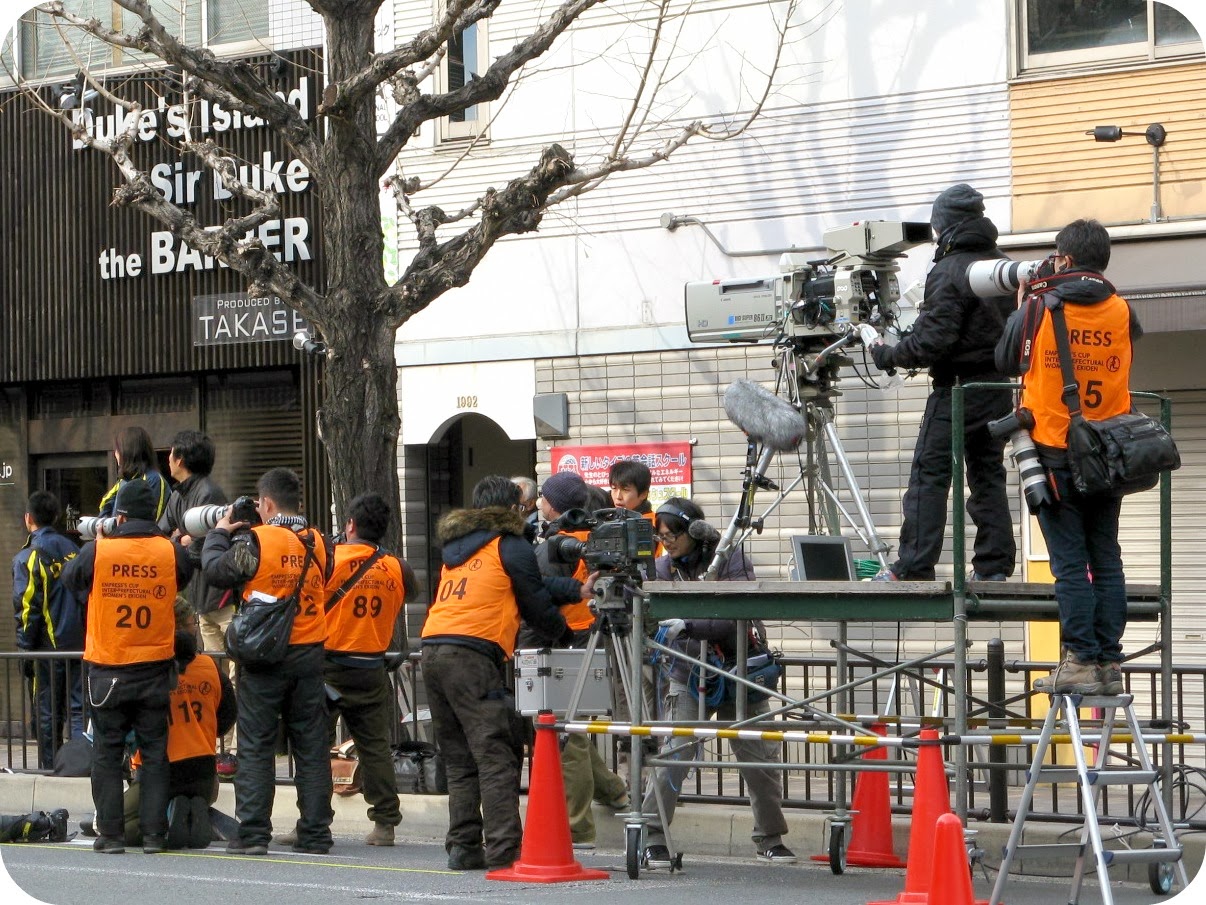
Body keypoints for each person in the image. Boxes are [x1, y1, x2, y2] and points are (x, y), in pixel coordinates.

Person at [994, 219, 1141, 695]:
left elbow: (1005, 359)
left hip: (1056, 446)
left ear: (1065, 258)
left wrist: (1022, 304)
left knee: (1071, 564)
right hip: (1109, 449)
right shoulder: (1121, 308)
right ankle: (1109, 662)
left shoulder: (1041, 303)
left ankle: (1079, 660)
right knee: (1107, 557)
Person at [421, 475, 590, 871]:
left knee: (460, 757)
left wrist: (575, 590)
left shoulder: (458, 549)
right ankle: (503, 848)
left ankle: (463, 846)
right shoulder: (509, 544)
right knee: (495, 752)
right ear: (513, 508)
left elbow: (529, 583)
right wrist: (565, 635)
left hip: (431, 648)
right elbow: (534, 601)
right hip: (473, 654)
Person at [869, 183, 1016, 583]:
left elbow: (931, 341)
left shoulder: (949, 270)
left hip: (957, 390)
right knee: (987, 476)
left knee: (930, 475)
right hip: (998, 389)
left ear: (944, 225)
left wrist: (887, 354)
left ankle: (913, 567)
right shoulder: (1000, 266)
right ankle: (993, 568)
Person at [640, 497, 795, 867]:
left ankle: (770, 838)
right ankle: (652, 837)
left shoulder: (730, 558)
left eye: (673, 534)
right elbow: (653, 613)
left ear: (695, 531)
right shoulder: (661, 567)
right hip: (688, 672)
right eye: (662, 536)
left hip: (739, 671)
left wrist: (689, 624)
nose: (667, 542)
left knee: (760, 760)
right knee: (674, 754)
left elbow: (735, 613)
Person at [202, 467, 334, 856]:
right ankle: (316, 833)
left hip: (265, 655)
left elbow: (216, 571)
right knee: (311, 745)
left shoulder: (257, 541)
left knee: (257, 744)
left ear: (267, 503)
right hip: (310, 652)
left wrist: (220, 532)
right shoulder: (319, 542)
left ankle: (254, 833)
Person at [61, 480, 193, 854]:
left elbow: (70, 579)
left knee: (106, 753)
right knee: (154, 755)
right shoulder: (169, 552)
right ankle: (153, 835)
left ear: (119, 516)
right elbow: (184, 575)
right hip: (154, 669)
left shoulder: (99, 551)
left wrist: (102, 544)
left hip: (109, 668)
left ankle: (111, 834)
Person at [525, 472, 628, 850]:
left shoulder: (556, 546)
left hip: (561, 644)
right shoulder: (596, 539)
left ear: (553, 504)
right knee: (575, 732)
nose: (539, 502)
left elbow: (537, 601)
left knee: (566, 737)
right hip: (591, 639)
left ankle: (578, 827)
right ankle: (614, 790)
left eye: (543, 496)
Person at [307, 491, 416, 847]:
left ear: (350, 524)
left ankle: (314, 821)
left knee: (314, 746)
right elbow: (410, 594)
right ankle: (385, 823)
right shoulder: (398, 567)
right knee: (375, 747)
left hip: (328, 666)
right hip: (371, 666)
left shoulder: (330, 559)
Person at [123, 596, 236, 849]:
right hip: (205, 777)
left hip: (159, 773)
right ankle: (195, 815)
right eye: (192, 623)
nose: (195, 627)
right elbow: (226, 721)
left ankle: (171, 820)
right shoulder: (210, 668)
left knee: (112, 824)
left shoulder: (146, 670)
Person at [158, 430, 237, 779]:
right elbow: (167, 535)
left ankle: (233, 750)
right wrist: (184, 539)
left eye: (171, 453)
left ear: (182, 458)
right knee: (216, 672)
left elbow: (209, 543)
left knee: (232, 674)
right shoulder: (178, 494)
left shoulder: (209, 493)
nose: (168, 459)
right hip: (201, 598)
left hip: (222, 597)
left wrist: (186, 541)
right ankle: (219, 747)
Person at [12, 490, 84, 769]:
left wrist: (25, 650)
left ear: (28, 518)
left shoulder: (28, 556)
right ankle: (79, 766)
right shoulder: (75, 550)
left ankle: (50, 768)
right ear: (55, 517)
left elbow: (26, 609)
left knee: (47, 712)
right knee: (79, 710)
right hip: (80, 645)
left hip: (47, 649)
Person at [98, 426, 170, 522]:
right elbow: (106, 508)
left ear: (128, 451)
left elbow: (153, 520)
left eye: (118, 450)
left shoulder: (153, 479)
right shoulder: (123, 482)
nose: (115, 454)